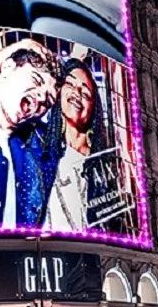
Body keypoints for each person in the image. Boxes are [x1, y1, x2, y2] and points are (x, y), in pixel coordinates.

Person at [0, 39, 62, 226]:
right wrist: (19, 46)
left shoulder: (32, 154)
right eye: (36, 80)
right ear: (8, 67)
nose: (41, 97)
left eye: (48, 100)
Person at [41, 59, 110, 231]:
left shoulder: (103, 165)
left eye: (86, 93)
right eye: (70, 84)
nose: (77, 92)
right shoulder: (38, 144)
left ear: (94, 108)